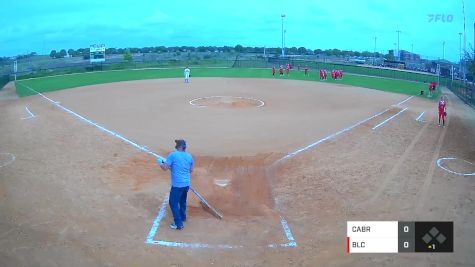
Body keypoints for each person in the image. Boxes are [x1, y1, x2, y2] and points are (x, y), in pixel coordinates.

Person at [159, 139, 194, 230]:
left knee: (173, 203)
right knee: (182, 201)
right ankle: (183, 217)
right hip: (186, 184)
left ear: (178, 146)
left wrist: (160, 163)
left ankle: (179, 224)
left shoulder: (173, 155)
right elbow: (191, 170)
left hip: (177, 185)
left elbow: (165, 168)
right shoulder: (189, 156)